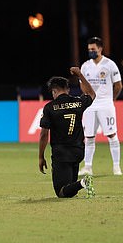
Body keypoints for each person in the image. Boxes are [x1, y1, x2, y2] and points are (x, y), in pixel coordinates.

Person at [38, 67, 96, 198]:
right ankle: (81, 183)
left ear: (54, 91)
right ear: (68, 89)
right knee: (70, 189)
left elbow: (43, 135)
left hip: (61, 154)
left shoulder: (50, 107)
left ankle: (84, 182)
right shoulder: (78, 102)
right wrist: (80, 75)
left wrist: (41, 156)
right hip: (78, 151)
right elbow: (92, 94)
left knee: (61, 192)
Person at [79, 37, 123, 176]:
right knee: (89, 137)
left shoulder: (110, 64)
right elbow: (82, 85)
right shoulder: (85, 65)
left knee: (111, 134)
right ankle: (88, 167)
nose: (91, 51)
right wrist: (88, 98)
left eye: (93, 49)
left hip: (106, 104)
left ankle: (116, 167)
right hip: (91, 106)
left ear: (100, 49)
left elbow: (118, 85)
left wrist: (111, 99)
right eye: (89, 50)